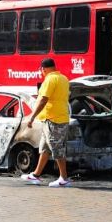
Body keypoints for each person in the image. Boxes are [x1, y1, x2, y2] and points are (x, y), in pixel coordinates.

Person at [21, 58, 73, 188]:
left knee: (56, 148)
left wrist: (32, 117)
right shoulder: (64, 78)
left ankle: (63, 178)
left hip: (54, 119)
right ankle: (36, 175)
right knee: (44, 147)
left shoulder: (50, 79)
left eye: (41, 70)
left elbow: (43, 99)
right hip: (54, 118)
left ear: (43, 69)